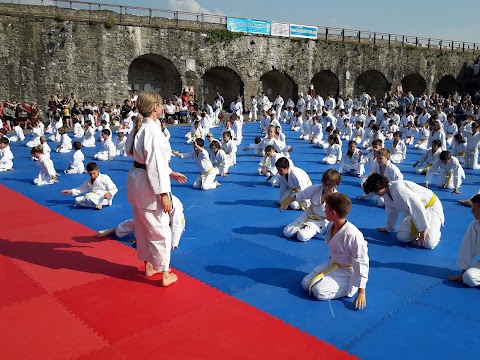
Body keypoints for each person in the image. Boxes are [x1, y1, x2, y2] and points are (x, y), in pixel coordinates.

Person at [125, 92, 186, 287]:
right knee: (160, 231)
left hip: (137, 181)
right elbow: (155, 165)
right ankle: (165, 274)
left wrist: (170, 172)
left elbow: (132, 153)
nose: (162, 107)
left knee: (142, 228)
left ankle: (149, 265)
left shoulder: (138, 127)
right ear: (155, 108)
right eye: (160, 104)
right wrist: (164, 195)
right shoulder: (152, 132)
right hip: (150, 187)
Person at [301, 193, 368, 309]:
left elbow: (362, 263)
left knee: (318, 291)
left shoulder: (353, 235)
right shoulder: (333, 226)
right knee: (306, 284)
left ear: (333, 213)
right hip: (333, 263)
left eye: (326, 207)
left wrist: (361, 292)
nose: (324, 209)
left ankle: (349, 287)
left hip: (347, 271)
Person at [96, 193, 186, 275]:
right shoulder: (148, 199)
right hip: (156, 220)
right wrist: (139, 234)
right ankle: (114, 230)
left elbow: (176, 224)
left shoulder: (174, 204)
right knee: (136, 222)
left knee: (162, 241)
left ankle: (156, 267)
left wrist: (173, 243)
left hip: (170, 224)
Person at [362, 173, 444, 249]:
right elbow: (392, 212)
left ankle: (434, 231)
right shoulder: (386, 193)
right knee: (403, 238)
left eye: (375, 191)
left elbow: (416, 206)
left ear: (382, 185)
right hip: (412, 210)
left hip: (430, 205)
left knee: (428, 244)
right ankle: (423, 228)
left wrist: (423, 229)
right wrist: (388, 227)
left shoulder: (398, 189)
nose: (375, 194)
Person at [281, 169, 341, 242]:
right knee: (287, 232)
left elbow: (339, 217)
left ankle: (311, 228)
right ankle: (303, 226)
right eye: (325, 184)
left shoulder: (337, 198)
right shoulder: (316, 188)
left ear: (335, 185)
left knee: (301, 236)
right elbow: (300, 195)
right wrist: (287, 203)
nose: (326, 187)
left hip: (321, 220)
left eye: (330, 185)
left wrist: (334, 233)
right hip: (308, 213)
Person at [448, 194, 480, 287]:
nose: (471, 212)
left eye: (474, 209)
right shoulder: (475, 225)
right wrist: (463, 273)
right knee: (468, 277)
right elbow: (467, 248)